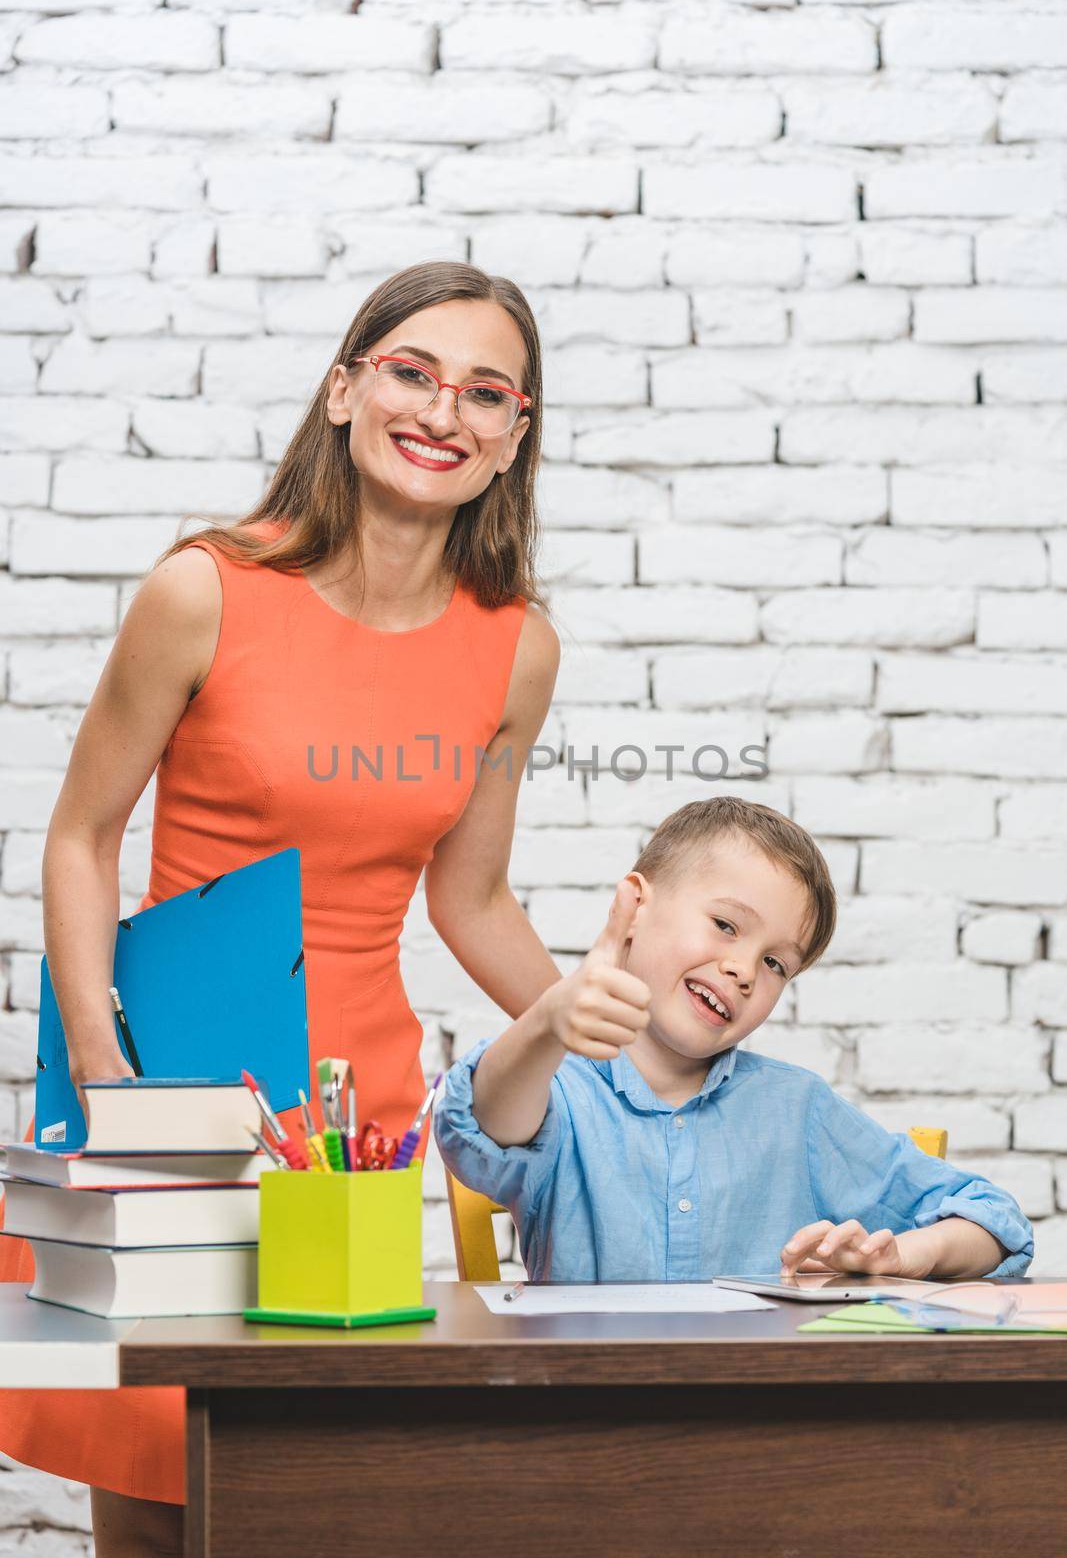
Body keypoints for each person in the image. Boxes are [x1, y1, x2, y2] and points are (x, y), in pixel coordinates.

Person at [0, 261, 563, 1556]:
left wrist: (606, 1034)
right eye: (411, 371)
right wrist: (100, 1063)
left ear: (511, 438)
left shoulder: (513, 645)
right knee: (153, 1507)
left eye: (485, 392)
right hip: (175, 1097)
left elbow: (467, 898)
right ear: (343, 389)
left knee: (317, 1498)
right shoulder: (203, 589)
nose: (442, 410)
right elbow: (84, 836)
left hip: (356, 1123)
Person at [435, 796, 1034, 1285]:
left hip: (763, 1415)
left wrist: (907, 1253)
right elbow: (482, 1122)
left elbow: (994, 1222)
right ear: (635, 908)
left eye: (775, 963)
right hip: (591, 1413)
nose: (744, 970)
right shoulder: (557, 1087)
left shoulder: (796, 1111)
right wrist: (545, 1020)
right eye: (725, 925)